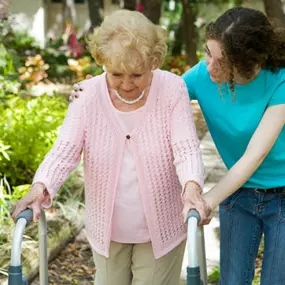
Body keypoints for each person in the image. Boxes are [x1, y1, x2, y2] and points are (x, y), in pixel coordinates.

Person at [12, 10, 208, 285]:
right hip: (107, 232)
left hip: (162, 231)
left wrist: (192, 188)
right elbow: (64, 150)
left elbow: (186, 147)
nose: (126, 84)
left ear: (153, 62)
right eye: (116, 73)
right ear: (103, 62)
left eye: (137, 74)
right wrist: (39, 187)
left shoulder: (172, 89)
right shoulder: (87, 95)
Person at [181, 7, 285, 285]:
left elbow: (255, 154)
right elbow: (159, 95)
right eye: (207, 53)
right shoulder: (202, 74)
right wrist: (94, 90)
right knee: (232, 280)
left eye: (222, 61)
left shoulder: (280, 80)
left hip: (282, 195)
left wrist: (209, 200)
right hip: (240, 194)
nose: (209, 66)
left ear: (248, 61)